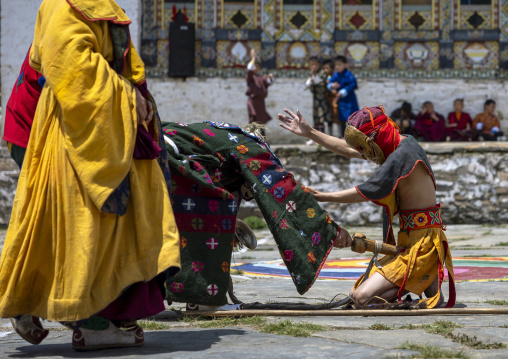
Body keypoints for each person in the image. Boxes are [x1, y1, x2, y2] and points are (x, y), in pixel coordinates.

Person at [0, 0, 181, 351]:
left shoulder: (101, 7)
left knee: (88, 228)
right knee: (74, 227)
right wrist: (127, 95)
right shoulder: (61, 6)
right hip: (58, 130)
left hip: (93, 131)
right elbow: (73, 68)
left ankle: (41, 303)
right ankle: (89, 321)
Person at [278, 106, 455, 309]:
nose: (362, 153)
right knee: (356, 294)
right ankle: (424, 282)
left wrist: (323, 196)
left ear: (376, 137)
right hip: (411, 242)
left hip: (423, 245)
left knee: (361, 298)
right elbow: (349, 149)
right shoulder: (401, 144)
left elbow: (368, 190)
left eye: (364, 147)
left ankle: (423, 279)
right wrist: (310, 132)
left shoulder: (402, 156)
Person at [161, 121, 350, 310]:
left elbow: (226, 194)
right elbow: (283, 189)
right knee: (206, 217)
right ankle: (202, 301)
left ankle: (154, 298)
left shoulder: (217, 138)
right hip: (170, 161)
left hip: (150, 151)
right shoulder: (249, 146)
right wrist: (330, 230)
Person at [2, 46, 43, 169]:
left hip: (16, 125)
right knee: (37, 185)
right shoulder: (51, 45)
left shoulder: (41, 40)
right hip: (22, 131)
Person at [327, 56, 359, 138]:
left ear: (345, 64)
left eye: (339, 64)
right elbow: (330, 83)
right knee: (341, 118)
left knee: (351, 118)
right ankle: (343, 136)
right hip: (341, 101)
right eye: (336, 65)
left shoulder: (348, 74)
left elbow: (353, 85)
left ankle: (352, 137)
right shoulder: (336, 74)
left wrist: (343, 91)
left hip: (350, 100)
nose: (337, 67)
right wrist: (332, 86)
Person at [246, 49, 274, 130]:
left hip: (261, 102)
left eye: (257, 66)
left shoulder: (261, 78)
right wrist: (253, 58)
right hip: (253, 101)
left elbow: (268, 82)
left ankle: (262, 138)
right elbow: (249, 70)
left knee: (261, 120)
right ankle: (251, 136)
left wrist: (270, 77)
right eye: (254, 66)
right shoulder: (250, 77)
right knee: (253, 119)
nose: (256, 68)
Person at [305, 57, 333, 136]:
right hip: (316, 99)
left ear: (319, 65)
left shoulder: (322, 74)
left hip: (323, 99)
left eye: (315, 65)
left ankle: (324, 137)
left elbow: (321, 84)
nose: (314, 67)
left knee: (322, 117)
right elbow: (310, 86)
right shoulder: (311, 74)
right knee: (316, 117)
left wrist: (314, 79)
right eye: (312, 65)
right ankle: (316, 138)